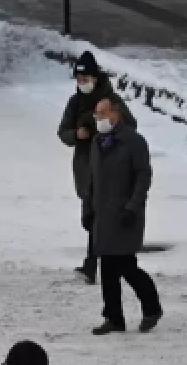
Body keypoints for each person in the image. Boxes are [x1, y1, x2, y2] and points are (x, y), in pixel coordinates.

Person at [57, 51, 136, 284]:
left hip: (108, 168)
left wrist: (107, 127)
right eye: (78, 80)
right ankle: (101, 261)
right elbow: (63, 132)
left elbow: (130, 126)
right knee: (90, 218)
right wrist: (77, 134)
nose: (82, 84)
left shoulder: (111, 100)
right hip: (86, 168)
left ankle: (95, 264)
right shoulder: (75, 102)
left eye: (85, 80)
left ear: (95, 77)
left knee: (100, 217)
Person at [86, 96, 162, 335]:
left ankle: (152, 307)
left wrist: (132, 207)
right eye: (96, 114)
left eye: (102, 114)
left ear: (116, 113)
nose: (98, 119)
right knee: (107, 269)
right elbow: (92, 179)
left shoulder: (133, 142)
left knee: (127, 267)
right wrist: (88, 209)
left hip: (125, 215)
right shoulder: (98, 142)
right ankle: (114, 318)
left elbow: (143, 177)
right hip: (103, 216)